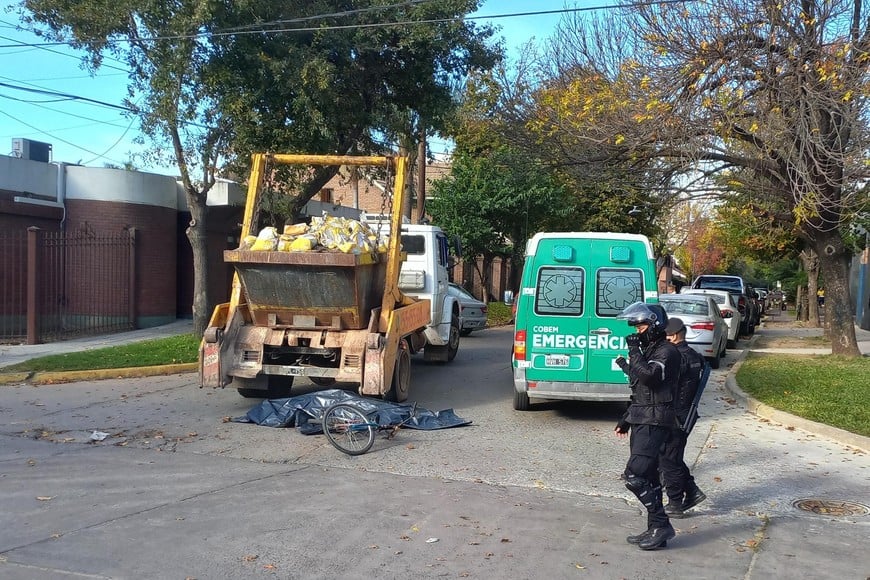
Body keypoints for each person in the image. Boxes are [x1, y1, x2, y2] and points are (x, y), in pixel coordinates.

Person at [613, 302, 682, 550]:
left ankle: (662, 525)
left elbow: (650, 377)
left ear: (654, 325)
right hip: (642, 418)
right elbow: (640, 390)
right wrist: (626, 419)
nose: (637, 331)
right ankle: (656, 528)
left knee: (634, 475)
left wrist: (633, 351)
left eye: (641, 326)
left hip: (656, 421)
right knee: (650, 477)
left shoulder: (667, 352)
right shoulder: (651, 350)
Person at [660, 318, 708, 518]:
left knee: (669, 460)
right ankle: (692, 491)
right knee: (671, 457)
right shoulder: (695, 356)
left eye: (666, 335)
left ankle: (675, 503)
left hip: (676, 416)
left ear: (674, 335)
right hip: (684, 414)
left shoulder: (677, 357)